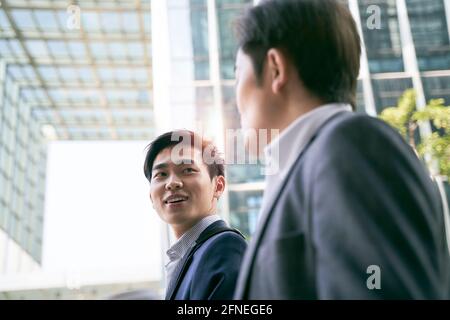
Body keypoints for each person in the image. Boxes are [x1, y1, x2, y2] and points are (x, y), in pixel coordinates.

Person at [233, 0, 449, 299]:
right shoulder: (307, 165)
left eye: (237, 73)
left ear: (274, 68)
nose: (236, 98)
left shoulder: (351, 145)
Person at [143, 130, 247, 300]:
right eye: (161, 174)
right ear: (151, 197)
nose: (172, 183)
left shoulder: (224, 245)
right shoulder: (189, 255)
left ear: (218, 186)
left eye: (188, 170)